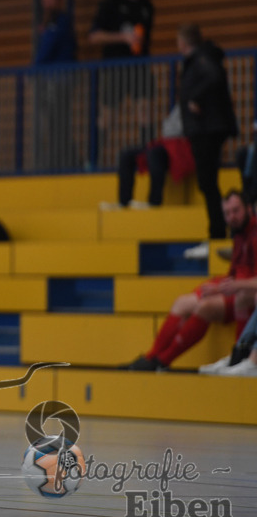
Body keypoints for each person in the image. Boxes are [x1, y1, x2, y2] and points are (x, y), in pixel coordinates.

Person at [122, 190, 256, 371]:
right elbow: (234, 274)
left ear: (248, 208)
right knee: (182, 302)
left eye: (236, 210)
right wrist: (218, 286)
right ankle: (151, 357)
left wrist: (233, 285)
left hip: (244, 294)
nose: (232, 217)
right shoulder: (239, 234)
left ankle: (163, 361)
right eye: (227, 213)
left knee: (206, 306)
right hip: (235, 289)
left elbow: (242, 280)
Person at [87, 0, 156, 148]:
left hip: (139, 66)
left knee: (145, 111)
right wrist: (123, 38)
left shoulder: (147, 6)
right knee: (107, 116)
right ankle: (93, 160)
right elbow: (94, 36)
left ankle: (148, 155)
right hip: (115, 67)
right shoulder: (111, 2)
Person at [178, 23, 237, 240]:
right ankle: (218, 229)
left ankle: (217, 231)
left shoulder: (201, 59)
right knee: (207, 182)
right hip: (206, 128)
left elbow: (214, 77)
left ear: (183, 42)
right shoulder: (202, 58)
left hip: (207, 129)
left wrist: (196, 98)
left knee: (207, 182)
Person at [105, 104, 193, 210]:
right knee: (126, 155)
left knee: (154, 154)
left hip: (183, 147)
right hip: (166, 143)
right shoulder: (181, 105)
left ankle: (154, 202)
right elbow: (167, 130)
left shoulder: (200, 104)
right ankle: (124, 202)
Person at [33, 0, 78, 170]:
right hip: (50, 79)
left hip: (59, 79)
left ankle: (62, 161)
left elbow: (47, 48)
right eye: (44, 0)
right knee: (53, 122)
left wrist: (34, 68)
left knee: (58, 122)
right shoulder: (48, 22)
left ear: (59, 0)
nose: (47, 4)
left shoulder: (60, 21)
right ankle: (59, 159)